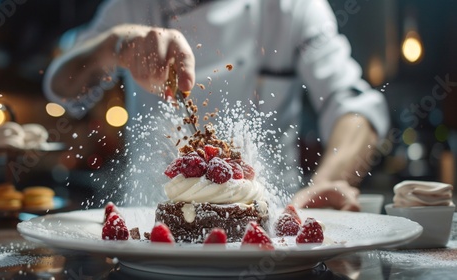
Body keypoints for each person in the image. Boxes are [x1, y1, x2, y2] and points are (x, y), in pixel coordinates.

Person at [43, 0, 390, 211]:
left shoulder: (292, 7)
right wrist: (113, 46)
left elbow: (353, 105)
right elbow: (62, 89)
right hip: (148, 235)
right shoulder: (131, 7)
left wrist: (326, 182)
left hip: (270, 236)